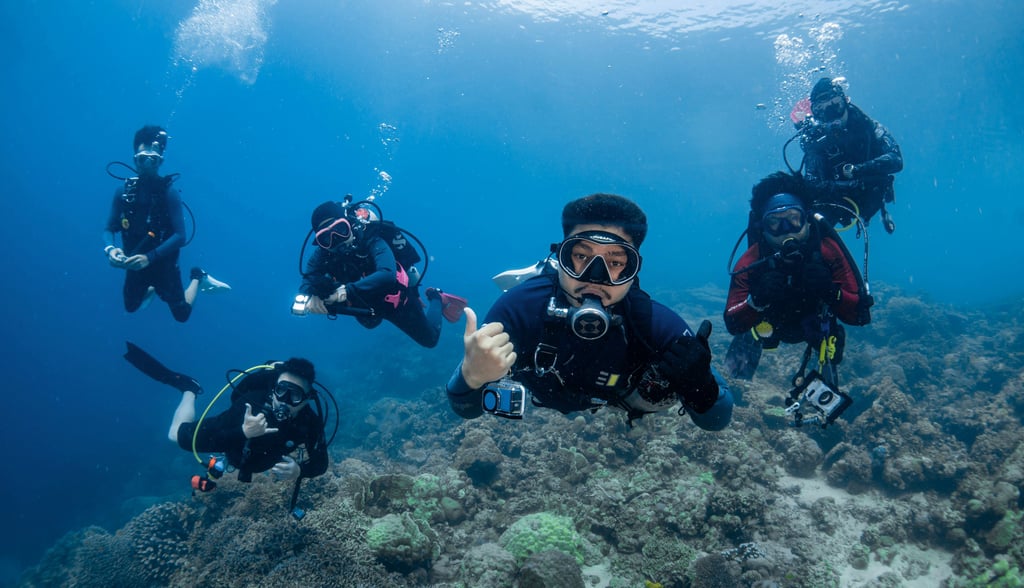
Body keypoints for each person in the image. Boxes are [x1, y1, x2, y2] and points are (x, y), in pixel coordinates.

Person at [445, 193, 733, 430]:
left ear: (633, 272)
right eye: (581, 256)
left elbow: (717, 420)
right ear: (561, 258)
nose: (595, 277)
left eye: (616, 262)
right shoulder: (519, 308)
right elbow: (465, 409)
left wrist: (701, 385)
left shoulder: (654, 324)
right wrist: (472, 374)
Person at [723, 172, 873, 388]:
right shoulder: (751, 260)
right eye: (774, 222)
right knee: (734, 380)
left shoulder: (827, 251)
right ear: (762, 228)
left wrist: (832, 292)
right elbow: (733, 323)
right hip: (768, 328)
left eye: (794, 219)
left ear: (808, 221)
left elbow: (860, 315)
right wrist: (755, 301)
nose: (786, 231)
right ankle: (735, 386)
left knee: (829, 362)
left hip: (814, 324)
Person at [123, 342, 328, 486]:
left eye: (295, 396)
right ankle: (189, 388)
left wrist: (300, 471)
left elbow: (321, 463)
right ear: (273, 388)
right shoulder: (251, 405)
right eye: (281, 390)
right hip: (233, 445)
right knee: (174, 434)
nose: (284, 401)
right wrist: (243, 432)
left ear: (307, 399)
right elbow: (189, 442)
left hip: (256, 460)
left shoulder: (310, 421)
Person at [298, 199, 467, 349]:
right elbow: (307, 281)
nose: (336, 239)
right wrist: (311, 296)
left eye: (340, 229)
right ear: (320, 243)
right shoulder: (322, 254)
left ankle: (436, 297)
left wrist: (345, 291)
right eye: (326, 238)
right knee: (371, 324)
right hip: (366, 309)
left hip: (397, 302)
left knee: (430, 340)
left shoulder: (371, 238)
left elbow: (387, 274)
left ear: (350, 223)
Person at [103, 125, 230, 322]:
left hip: (164, 265)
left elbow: (180, 235)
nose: (146, 165)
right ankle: (152, 288)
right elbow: (109, 228)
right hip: (135, 262)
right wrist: (111, 249)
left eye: (152, 160)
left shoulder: (169, 193)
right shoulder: (123, 193)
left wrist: (150, 257)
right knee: (130, 307)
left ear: (160, 161)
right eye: (142, 159)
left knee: (181, 315)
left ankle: (198, 276)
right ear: (134, 159)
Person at [798, 77, 903, 234]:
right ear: (816, 113)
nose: (832, 115)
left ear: (846, 101)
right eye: (822, 110)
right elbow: (812, 183)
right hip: (836, 204)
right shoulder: (816, 140)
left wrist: (858, 170)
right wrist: (851, 185)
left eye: (835, 105)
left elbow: (896, 159)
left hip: (870, 196)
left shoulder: (868, 126)